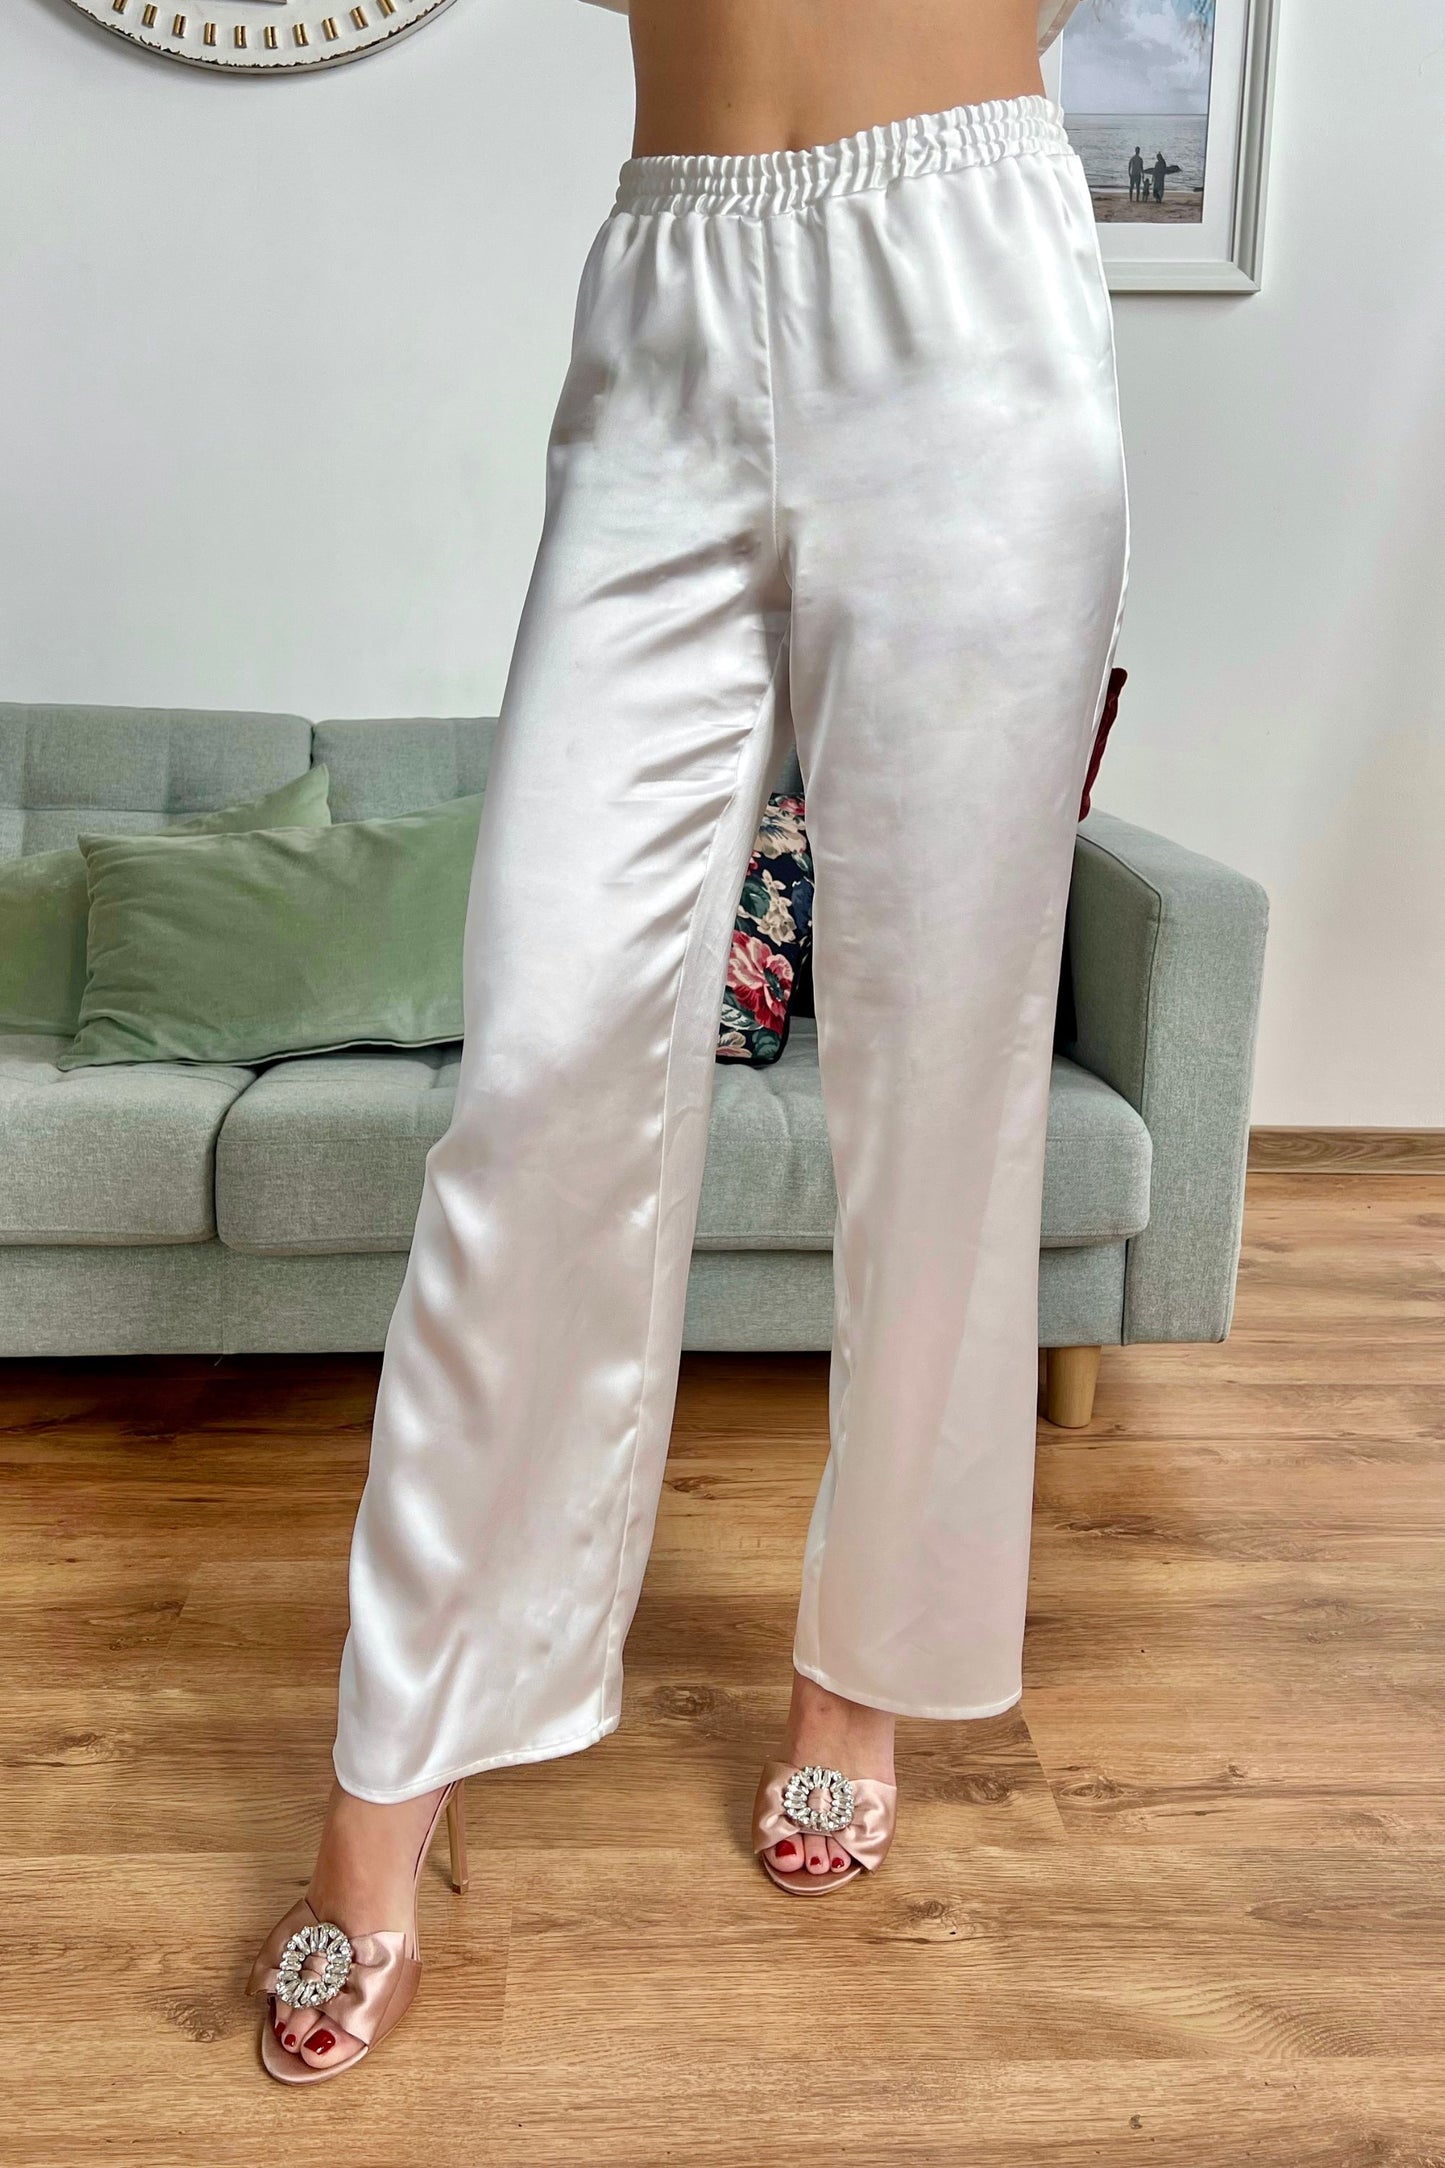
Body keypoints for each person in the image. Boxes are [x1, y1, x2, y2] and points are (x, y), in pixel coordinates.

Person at [248, 0, 1128, 2085]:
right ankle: (395, 1766)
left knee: (943, 1082)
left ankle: (860, 1671)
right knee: (533, 1084)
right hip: (668, 291)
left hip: (975, 297)